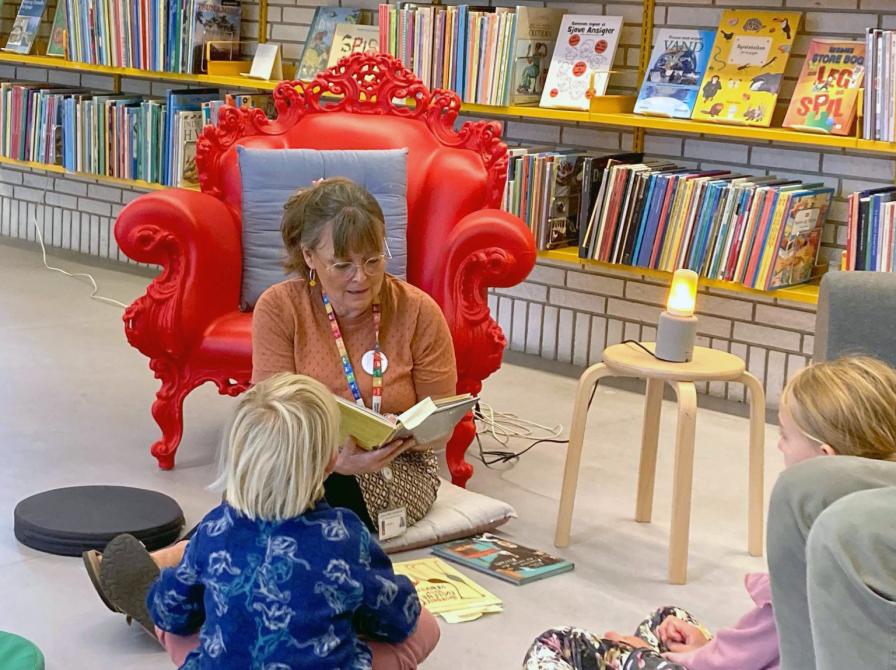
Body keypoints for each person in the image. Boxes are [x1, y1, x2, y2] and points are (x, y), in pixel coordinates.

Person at [85, 177, 457, 635]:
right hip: (302, 462)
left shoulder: (419, 312)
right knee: (279, 482)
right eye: (342, 264)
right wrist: (333, 458)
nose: (362, 277)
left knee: (301, 501)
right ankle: (170, 589)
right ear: (310, 259)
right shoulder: (281, 307)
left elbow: (442, 422)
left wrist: (406, 433)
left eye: (373, 260)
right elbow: (270, 418)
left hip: (397, 472)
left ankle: (166, 581)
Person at [522, 355, 896, 670]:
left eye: (785, 434)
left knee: (556, 645)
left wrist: (651, 657)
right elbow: (761, 646)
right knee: (669, 619)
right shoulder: (873, 538)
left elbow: (765, 639)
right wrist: (706, 646)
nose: (779, 445)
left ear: (823, 460)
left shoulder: (811, 562)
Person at [147, 372, 440, 668]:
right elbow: (397, 620)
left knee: (171, 627)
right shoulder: (344, 535)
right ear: (329, 461)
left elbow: (168, 612)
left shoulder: (214, 528)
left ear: (238, 456)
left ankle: (169, 562)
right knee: (426, 625)